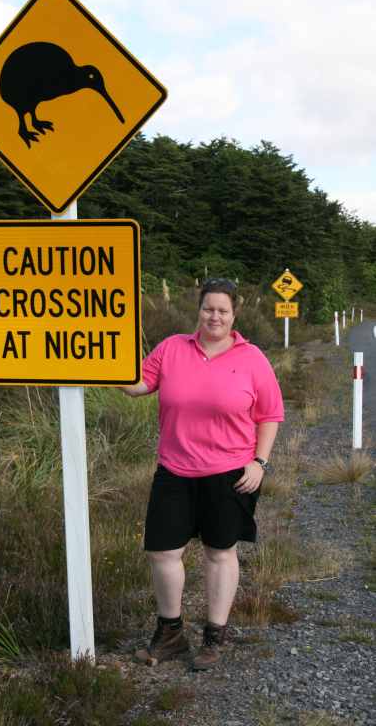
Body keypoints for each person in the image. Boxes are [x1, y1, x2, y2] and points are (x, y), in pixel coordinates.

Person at [121, 278, 284, 670]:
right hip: (174, 469)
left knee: (219, 552)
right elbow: (139, 385)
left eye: (222, 310)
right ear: (199, 310)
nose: (215, 316)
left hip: (230, 473)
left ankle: (214, 637)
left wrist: (259, 463)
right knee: (163, 552)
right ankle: (171, 634)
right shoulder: (172, 348)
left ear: (234, 314)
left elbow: (270, 415)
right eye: (208, 308)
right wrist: (102, 364)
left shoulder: (252, 359)